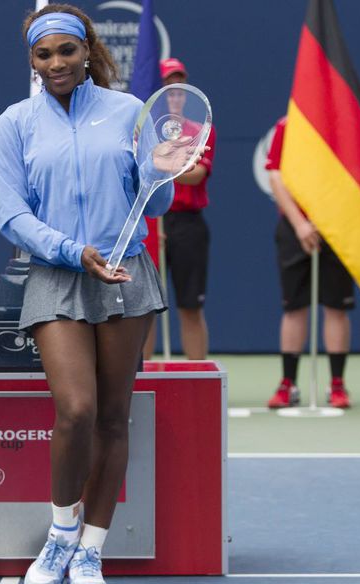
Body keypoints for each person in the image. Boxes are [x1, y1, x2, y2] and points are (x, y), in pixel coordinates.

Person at [0, 5, 197, 584]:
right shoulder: (14, 124)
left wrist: (161, 170)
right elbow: (11, 213)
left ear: (87, 52)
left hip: (126, 271)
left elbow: (154, 202)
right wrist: (69, 250)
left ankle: (90, 551)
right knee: (77, 410)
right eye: (44, 54)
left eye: (66, 51)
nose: (56, 62)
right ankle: (61, 533)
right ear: (32, 60)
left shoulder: (130, 112)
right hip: (58, 275)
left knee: (111, 416)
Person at [265, 116, 353, 409]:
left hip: (336, 226)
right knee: (294, 308)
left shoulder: (345, 123)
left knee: (336, 307)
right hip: (295, 228)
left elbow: (352, 176)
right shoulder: (287, 126)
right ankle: (288, 383)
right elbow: (275, 176)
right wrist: (301, 224)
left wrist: (327, 218)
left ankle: (337, 384)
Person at [142, 58, 216, 360]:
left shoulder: (200, 130)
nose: (174, 96)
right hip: (152, 221)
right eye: (168, 90)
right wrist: (164, 164)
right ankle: (140, 377)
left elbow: (197, 174)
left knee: (190, 306)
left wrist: (160, 165)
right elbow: (137, 173)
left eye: (179, 90)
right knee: (145, 308)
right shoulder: (146, 131)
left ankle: (198, 379)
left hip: (187, 223)